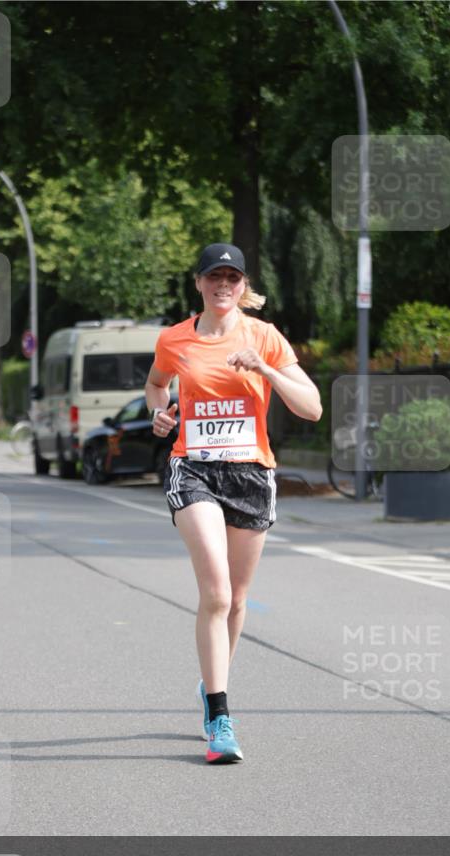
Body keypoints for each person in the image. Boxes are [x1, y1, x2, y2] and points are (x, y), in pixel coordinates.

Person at [145, 243, 322, 765]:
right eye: (213, 277)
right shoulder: (174, 338)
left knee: (239, 599)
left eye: (233, 278)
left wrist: (265, 371)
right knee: (217, 593)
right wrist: (160, 414)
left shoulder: (264, 337)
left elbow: (311, 408)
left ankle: (210, 684)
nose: (223, 285)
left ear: (243, 286)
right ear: (198, 283)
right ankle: (221, 716)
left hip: (251, 472)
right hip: (193, 466)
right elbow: (157, 386)